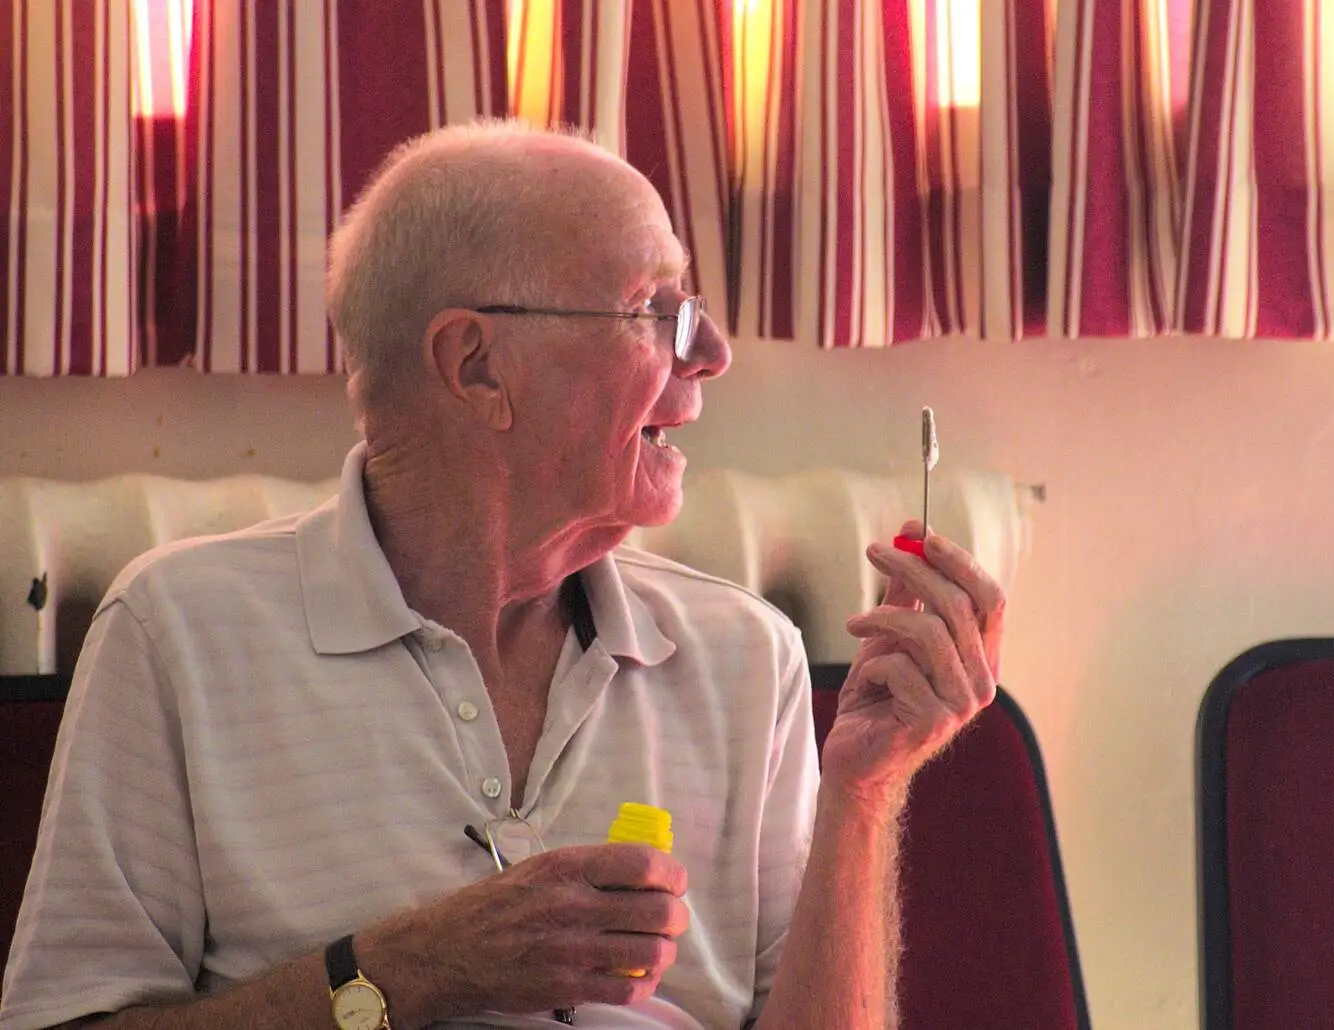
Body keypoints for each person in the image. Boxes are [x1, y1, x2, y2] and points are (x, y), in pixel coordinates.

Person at [0, 120, 1005, 1030]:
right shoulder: (182, 632)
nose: (711, 355)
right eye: (654, 311)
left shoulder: (746, 653)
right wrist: (414, 968)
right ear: (475, 366)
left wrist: (863, 793)